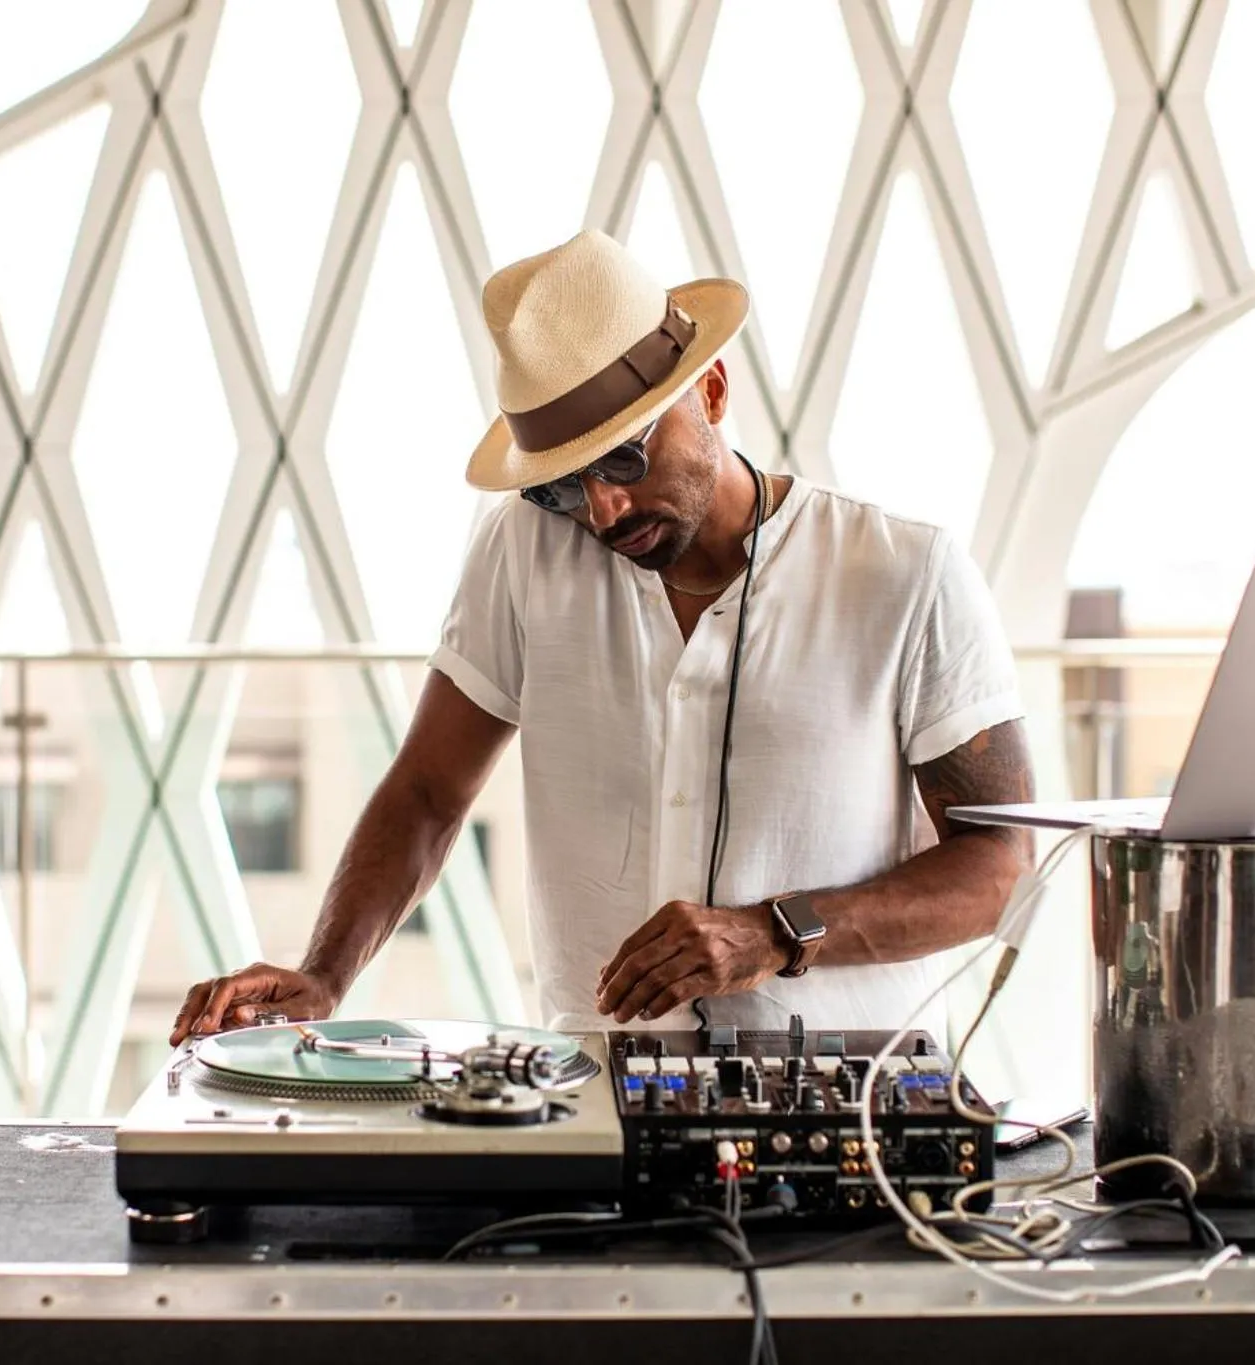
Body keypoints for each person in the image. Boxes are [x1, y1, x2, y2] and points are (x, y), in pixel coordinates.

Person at [171, 229, 1033, 1044]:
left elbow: (998, 868)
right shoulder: (522, 548)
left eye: (624, 458)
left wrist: (776, 932)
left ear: (714, 392)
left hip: (844, 1098)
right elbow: (430, 791)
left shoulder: (905, 572)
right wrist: (324, 976)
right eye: (558, 487)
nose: (601, 511)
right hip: (595, 1094)